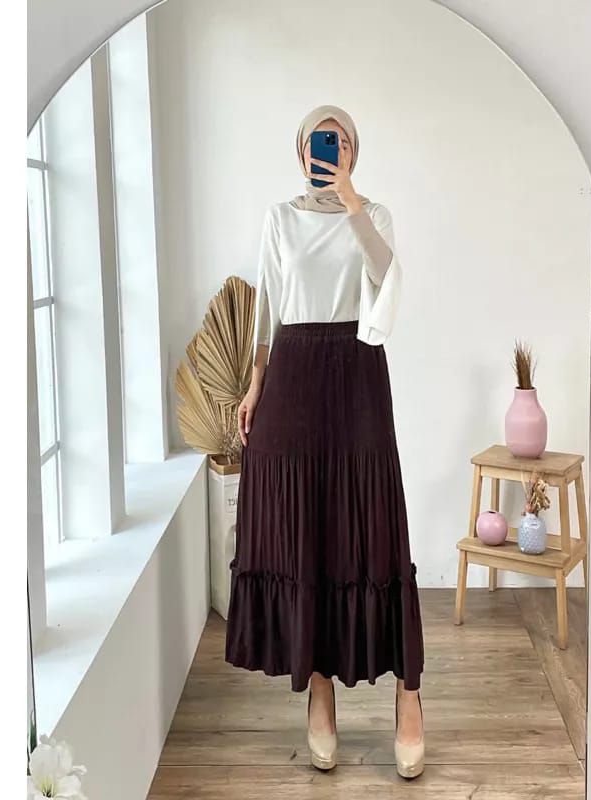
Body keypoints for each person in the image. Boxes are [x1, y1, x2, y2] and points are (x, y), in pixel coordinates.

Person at [224, 104, 425, 779]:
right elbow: (267, 308)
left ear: (354, 152)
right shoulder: (279, 219)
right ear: (299, 149)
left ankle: (408, 694)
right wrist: (255, 385)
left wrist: (351, 200)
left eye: (340, 141)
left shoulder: (375, 214)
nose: (328, 148)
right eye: (319, 139)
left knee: (375, 525)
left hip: (358, 372)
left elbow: (387, 277)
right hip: (294, 374)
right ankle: (319, 691)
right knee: (305, 528)